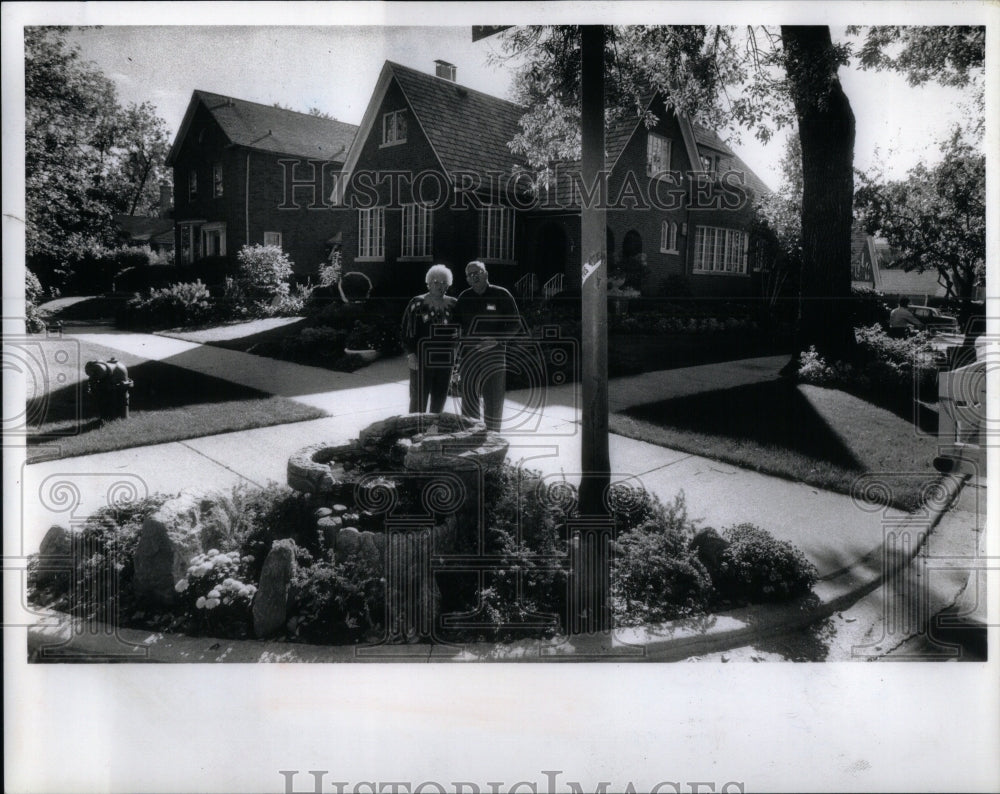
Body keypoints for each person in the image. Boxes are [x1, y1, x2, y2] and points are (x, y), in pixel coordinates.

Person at [454, 260, 521, 431]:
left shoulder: (502, 294)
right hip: (470, 355)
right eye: (470, 274)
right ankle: (470, 435)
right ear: (467, 279)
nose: (474, 276)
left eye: (477, 272)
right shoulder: (464, 298)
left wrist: (496, 339)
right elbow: (456, 326)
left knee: (494, 398)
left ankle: (493, 438)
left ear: (486, 274)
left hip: (495, 354)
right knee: (469, 397)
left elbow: (515, 324)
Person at [401, 264, 458, 414]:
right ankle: (414, 432)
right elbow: (407, 330)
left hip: (445, 360)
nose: (440, 286)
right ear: (429, 283)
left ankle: (433, 432)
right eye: (436, 282)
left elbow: (460, 330)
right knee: (418, 398)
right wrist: (411, 354)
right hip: (421, 359)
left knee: (439, 399)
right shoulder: (417, 303)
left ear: (449, 284)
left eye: (444, 283)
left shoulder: (454, 304)